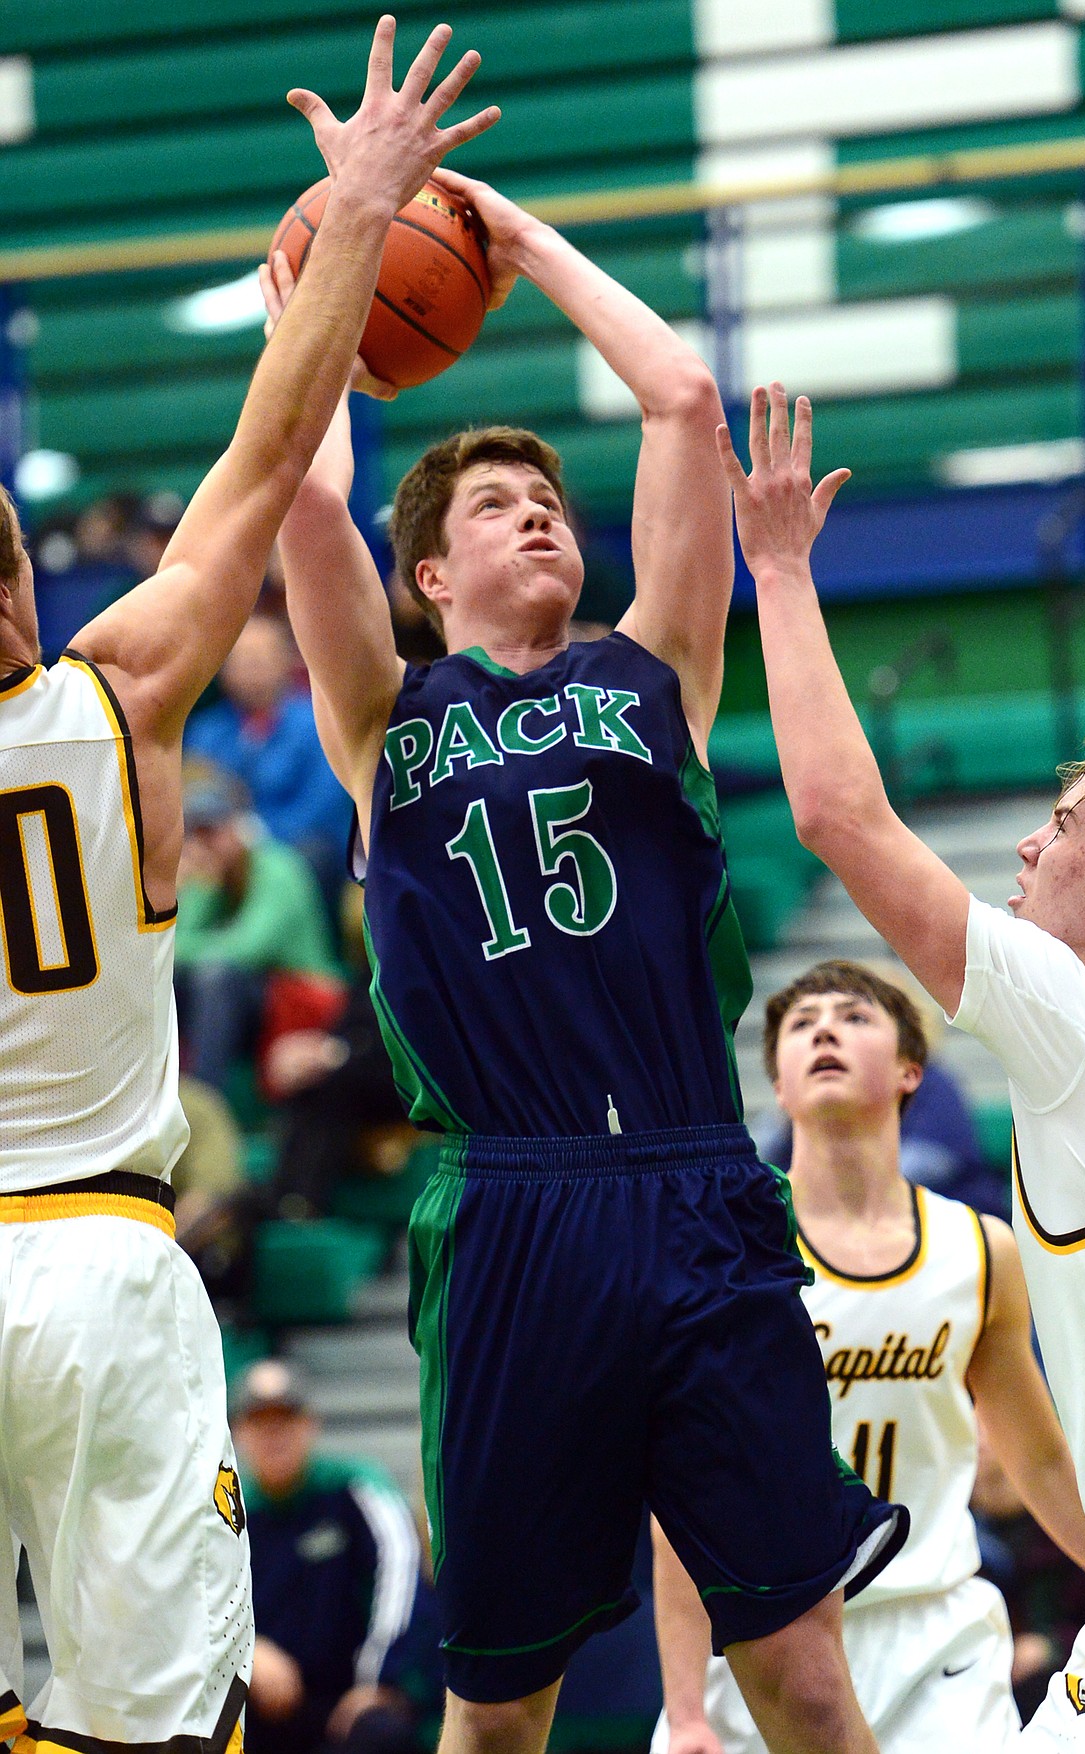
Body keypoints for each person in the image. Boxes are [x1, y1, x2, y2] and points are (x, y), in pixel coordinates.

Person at [267, 167, 908, 1754]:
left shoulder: (653, 675)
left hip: (700, 1194)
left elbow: (683, 396)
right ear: (429, 576)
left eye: (546, 495)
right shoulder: (382, 722)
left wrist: (515, 240)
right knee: (499, 1705)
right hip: (509, 1210)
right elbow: (289, 486)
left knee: (809, 1675)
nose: (535, 509)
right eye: (494, 504)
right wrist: (347, 273)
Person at [0, 25, 498, 1750]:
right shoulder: (113, 687)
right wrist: (357, 218)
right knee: (150, 1719)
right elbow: (269, 458)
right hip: (103, 1258)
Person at [719, 380, 1085, 1748]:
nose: (1027, 846)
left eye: (1060, 824)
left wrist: (783, 575)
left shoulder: (1083, 1017)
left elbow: (836, 814)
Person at [651, 959, 1085, 1754]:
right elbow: (682, 1499)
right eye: (801, 1023)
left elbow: (1039, 1457)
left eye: (854, 1016)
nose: (825, 1027)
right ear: (779, 1088)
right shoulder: (722, 1251)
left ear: (909, 1070)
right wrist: (685, 1710)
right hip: (764, 1631)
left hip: (932, 1631)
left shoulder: (981, 1250)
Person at [232, 1359, 436, 1754]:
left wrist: (378, 1683)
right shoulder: (227, 1515)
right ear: (238, 1433)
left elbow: (403, 1574)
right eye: (260, 1422)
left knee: (381, 1737)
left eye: (285, 1419)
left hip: (350, 1702)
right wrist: (248, 1651)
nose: (274, 1434)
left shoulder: (355, 1489)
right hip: (258, 1706)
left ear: (310, 1425)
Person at [174, 762, 338, 1092]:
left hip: (302, 993)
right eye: (198, 833)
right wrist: (193, 890)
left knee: (215, 977)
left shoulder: (277, 867)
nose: (206, 843)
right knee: (177, 980)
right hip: (252, 997)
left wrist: (189, 946)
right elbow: (171, 950)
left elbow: (249, 949)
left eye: (213, 830)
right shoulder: (212, 881)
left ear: (237, 826)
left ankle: (206, 1101)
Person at [185, 611, 352, 899]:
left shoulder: (317, 724)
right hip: (220, 854)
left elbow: (325, 805)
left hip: (299, 848)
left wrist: (251, 838)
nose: (252, 672)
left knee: (309, 857)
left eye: (260, 660)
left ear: (287, 662)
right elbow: (193, 800)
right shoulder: (206, 731)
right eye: (242, 662)